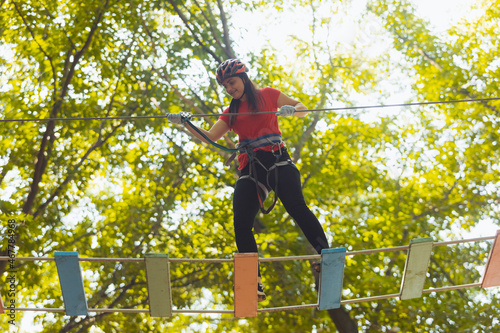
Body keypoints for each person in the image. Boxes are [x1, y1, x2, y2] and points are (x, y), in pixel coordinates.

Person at [167, 59, 330, 301]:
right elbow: (210, 136)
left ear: (243, 77)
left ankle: (325, 253)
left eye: (231, 82)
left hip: (277, 161)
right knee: (241, 222)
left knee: (296, 206)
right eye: (225, 86)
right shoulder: (230, 112)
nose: (229, 89)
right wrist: (186, 123)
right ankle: (254, 281)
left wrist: (292, 109)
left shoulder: (268, 95)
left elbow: (303, 107)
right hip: (252, 168)